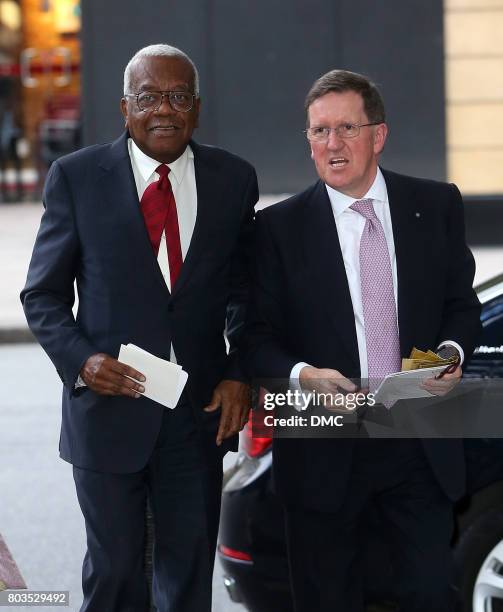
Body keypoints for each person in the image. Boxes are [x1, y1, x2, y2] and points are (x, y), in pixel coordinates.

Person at [21, 44, 258, 612]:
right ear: (124, 108)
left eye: (178, 97)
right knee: (114, 575)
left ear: (197, 109)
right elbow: (43, 295)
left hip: (197, 418)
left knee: (185, 578)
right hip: (107, 414)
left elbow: (249, 295)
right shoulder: (76, 178)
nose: (164, 110)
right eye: (149, 96)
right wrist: (82, 360)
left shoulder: (233, 179)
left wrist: (239, 373)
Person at [244, 69, 481, 611]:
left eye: (346, 128)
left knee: (427, 595)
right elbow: (253, 335)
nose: (332, 144)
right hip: (323, 448)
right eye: (318, 131)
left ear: (379, 135)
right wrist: (304, 375)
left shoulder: (435, 205)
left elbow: (460, 305)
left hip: (418, 442)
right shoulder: (275, 229)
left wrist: (448, 355)